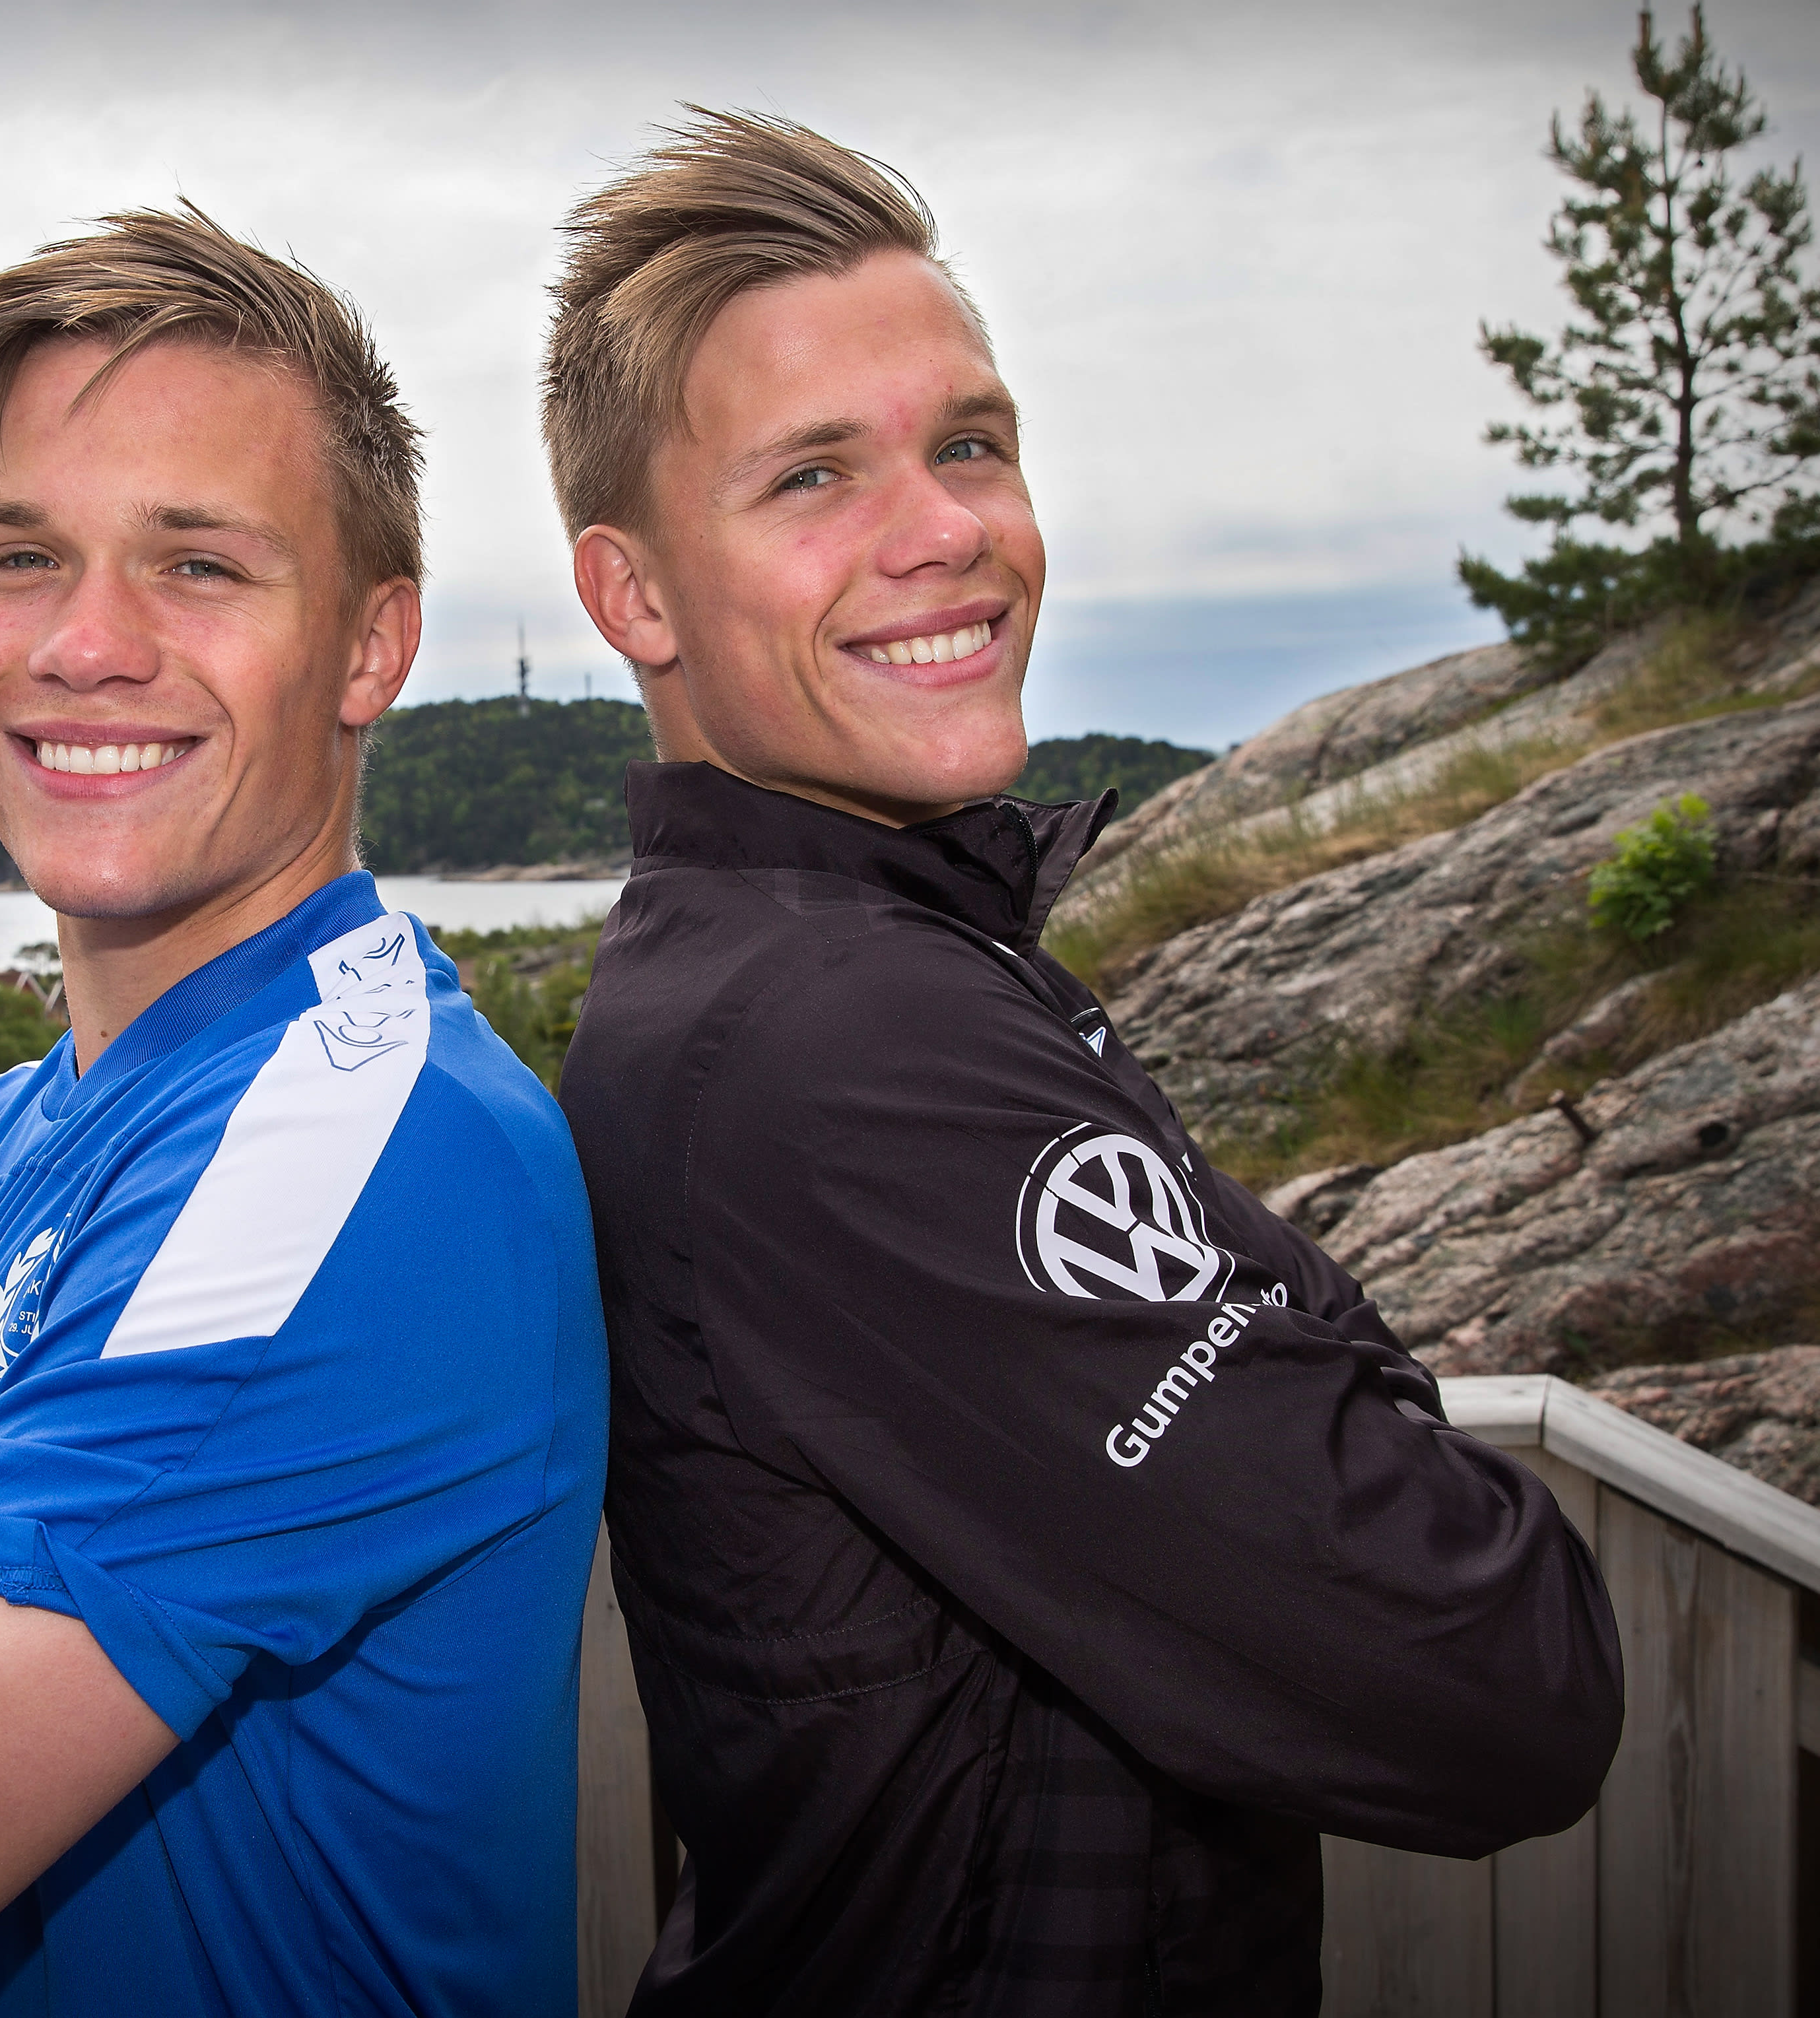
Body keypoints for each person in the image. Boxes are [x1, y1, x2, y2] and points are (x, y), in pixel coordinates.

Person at [543, 111, 1624, 2015]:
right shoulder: (848, 1039)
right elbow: (1502, 1672)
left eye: (969, 443)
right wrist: (1303, 1315)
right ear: (635, 597)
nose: (945, 530)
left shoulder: (784, 961)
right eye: (813, 476)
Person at [0, 205, 607, 2018]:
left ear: (371, 646)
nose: (83, 645)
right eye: (20, 558)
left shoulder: (377, 1158)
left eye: (197, 564)